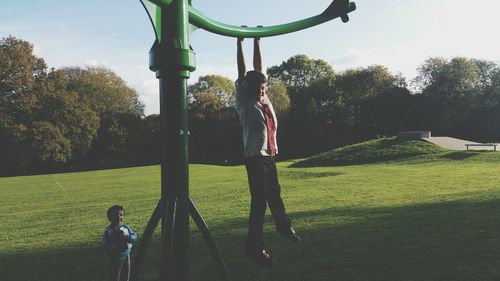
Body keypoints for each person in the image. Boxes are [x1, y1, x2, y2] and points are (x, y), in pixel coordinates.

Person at [234, 36, 300, 268]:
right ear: (249, 88)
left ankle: (283, 226)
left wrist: (257, 41)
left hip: (269, 155)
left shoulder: (264, 99)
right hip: (255, 157)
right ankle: (254, 247)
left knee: (275, 194)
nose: (263, 90)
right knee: (260, 203)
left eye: (264, 87)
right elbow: (244, 72)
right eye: (259, 88)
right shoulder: (244, 100)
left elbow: (260, 70)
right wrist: (239, 43)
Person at [101, 205, 138, 281]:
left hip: (126, 254)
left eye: (121, 215)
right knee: (115, 275)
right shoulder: (109, 231)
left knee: (126, 274)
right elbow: (105, 244)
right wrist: (114, 246)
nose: (118, 217)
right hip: (115, 257)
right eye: (115, 215)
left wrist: (128, 238)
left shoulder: (125, 227)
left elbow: (134, 236)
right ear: (109, 218)